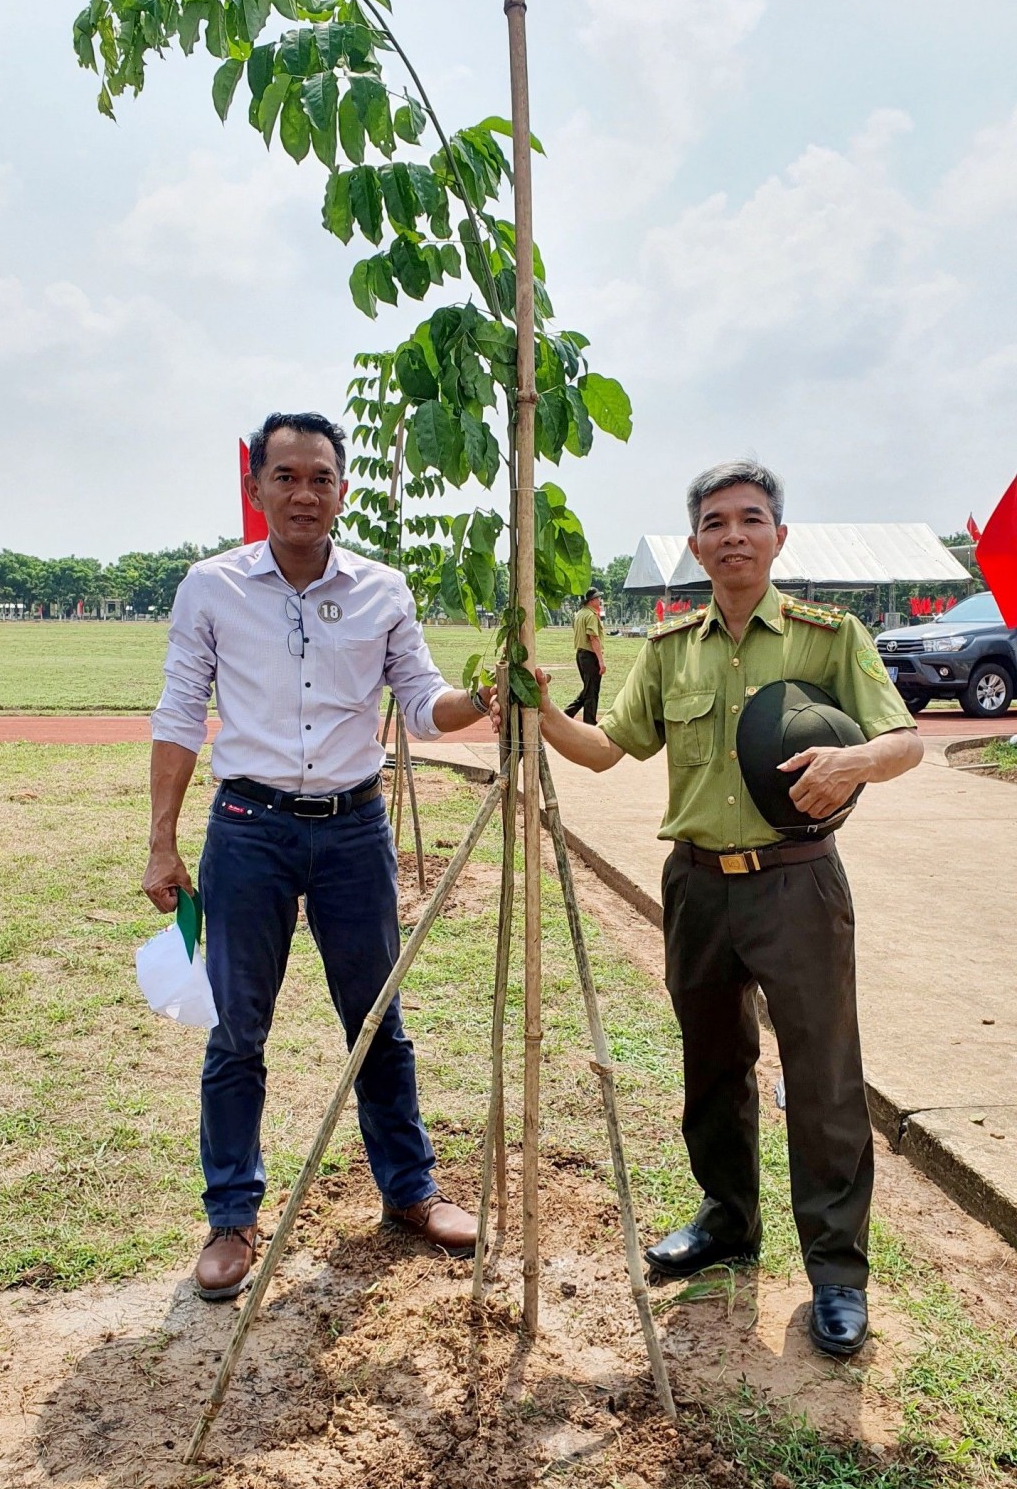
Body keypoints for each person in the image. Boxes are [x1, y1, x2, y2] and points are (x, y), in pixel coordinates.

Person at [532, 461, 922, 1359]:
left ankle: (835, 1272)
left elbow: (902, 740)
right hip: (698, 885)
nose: (734, 534)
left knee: (823, 1075)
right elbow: (606, 750)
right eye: (716, 522)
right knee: (711, 1062)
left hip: (798, 883)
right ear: (696, 544)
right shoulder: (671, 649)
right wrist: (542, 708)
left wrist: (852, 763)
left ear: (779, 537)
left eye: (752, 519)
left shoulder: (830, 638)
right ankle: (727, 1220)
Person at [144, 411, 499, 1300]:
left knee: (377, 1017)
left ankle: (411, 1192)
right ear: (258, 485)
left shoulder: (381, 588)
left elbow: (420, 702)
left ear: (343, 490)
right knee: (237, 1031)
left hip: (352, 830)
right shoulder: (211, 586)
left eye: (322, 478)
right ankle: (231, 1216)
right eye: (287, 476)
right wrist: (161, 839)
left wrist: (480, 700)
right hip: (247, 829)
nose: (305, 493)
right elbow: (181, 711)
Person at [565, 586, 606, 724]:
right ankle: (589, 723)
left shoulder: (579, 614)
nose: (600, 600)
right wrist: (601, 661)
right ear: (591, 600)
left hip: (580, 654)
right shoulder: (591, 615)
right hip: (590, 655)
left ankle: (567, 714)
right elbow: (593, 638)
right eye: (598, 598)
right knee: (592, 692)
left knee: (589, 689)